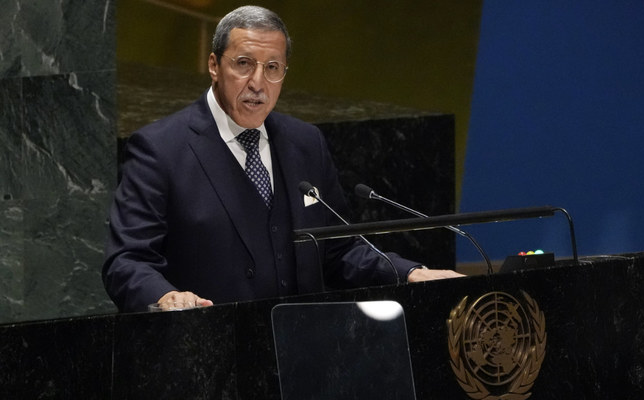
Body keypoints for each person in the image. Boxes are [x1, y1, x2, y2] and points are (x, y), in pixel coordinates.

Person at [102, 5, 462, 313]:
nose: (258, 82)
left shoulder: (304, 142)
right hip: (206, 357)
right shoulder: (160, 148)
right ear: (214, 65)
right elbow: (127, 261)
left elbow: (339, 250)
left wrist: (412, 273)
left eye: (273, 67)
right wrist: (165, 296)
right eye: (244, 64)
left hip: (300, 357)